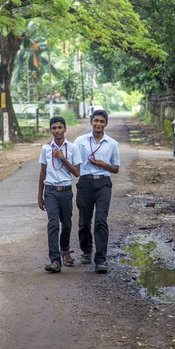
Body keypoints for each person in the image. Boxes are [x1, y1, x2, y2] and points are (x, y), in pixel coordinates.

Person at [74, 109, 120, 274]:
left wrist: (103, 164)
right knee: (84, 222)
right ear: (91, 122)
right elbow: (74, 162)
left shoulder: (112, 144)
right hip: (85, 183)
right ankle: (86, 251)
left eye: (102, 121)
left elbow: (116, 169)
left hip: (103, 184)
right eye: (96, 121)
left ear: (106, 124)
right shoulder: (80, 141)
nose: (98, 124)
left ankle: (100, 259)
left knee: (101, 220)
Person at [38, 116, 82, 273]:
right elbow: (42, 172)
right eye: (54, 128)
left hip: (65, 191)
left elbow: (77, 172)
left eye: (59, 127)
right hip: (50, 191)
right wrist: (40, 196)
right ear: (51, 130)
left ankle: (64, 249)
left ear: (65, 129)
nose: (57, 131)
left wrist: (62, 158)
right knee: (53, 224)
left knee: (67, 224)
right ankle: (55, 260)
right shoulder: (45, 149)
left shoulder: (73, 148)